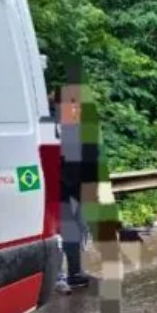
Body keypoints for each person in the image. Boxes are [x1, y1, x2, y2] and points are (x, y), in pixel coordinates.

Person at [54, 87, 95, 292]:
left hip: (77, 188)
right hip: (60, 188)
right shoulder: (52, 128)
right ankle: (59, 277)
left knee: (77, 232)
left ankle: (75, 273)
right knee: (62, 235)